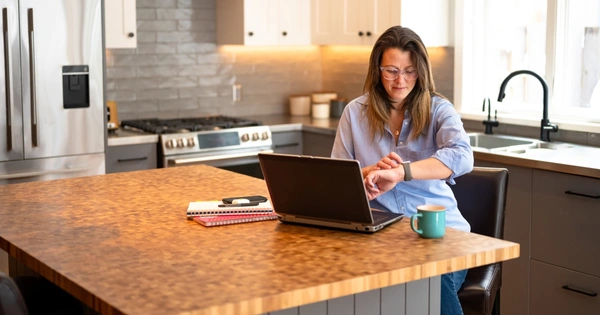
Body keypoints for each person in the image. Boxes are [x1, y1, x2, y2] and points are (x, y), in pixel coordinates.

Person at [331, 25, 474, 315]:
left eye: (409, 71)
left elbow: (462, 156)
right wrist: (366, 173)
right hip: (382, 239)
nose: (401, 80)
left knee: (428, 280)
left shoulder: (439, 110)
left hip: (440, 237)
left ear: (420, 71)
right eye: (391, 71)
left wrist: (401, 172)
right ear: (377, 70)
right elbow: (336, 178)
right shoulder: (355, 112)